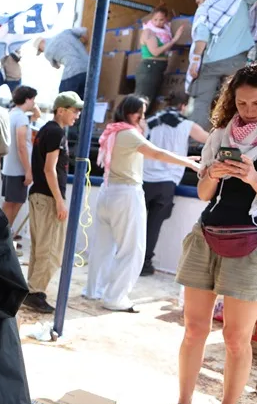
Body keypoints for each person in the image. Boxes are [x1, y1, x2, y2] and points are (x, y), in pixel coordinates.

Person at [151, 62, 257, 404]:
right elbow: (205, 195)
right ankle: (183, 403)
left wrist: (253, 176)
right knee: (193, 329)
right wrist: (214, 174)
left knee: (238, 338)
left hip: (252, 243)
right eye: (241, 102)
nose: (249, 109)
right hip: (206, 235)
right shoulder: (220, 133)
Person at [84, 95, 201, 312]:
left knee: (103, 246)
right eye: (142, 113)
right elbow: (155, 153)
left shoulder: (112, 131)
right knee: (133, 249)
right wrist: (186, 162)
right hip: (126, 194)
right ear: (132, 113)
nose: (143, 118)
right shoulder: (128, 133)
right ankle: (115, 297)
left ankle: (94, 290)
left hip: (108, 192)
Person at [22, 92, 82, 314]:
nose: (77, 115)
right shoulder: (56, 132)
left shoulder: (47, 129)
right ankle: (36, 292)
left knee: (40, 247)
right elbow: (50, 169)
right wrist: (59, 201)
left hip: (38, 195)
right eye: (74, 110)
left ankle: (32, 291)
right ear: (61, 110)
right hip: (47, 197)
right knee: (51, 250)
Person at [188, 0, 257, 127]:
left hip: (210, 64)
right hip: (236, 62)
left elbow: (201, 35)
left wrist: (195, 61)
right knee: (237, 100)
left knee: (202, 100)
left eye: (199, 1)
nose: (199, 5)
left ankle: (197, 140)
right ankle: (233, 136)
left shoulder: (207, 8)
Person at [141, 93, 210, 276]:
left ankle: (131, 259)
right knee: (153, 225)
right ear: (183, 106)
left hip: (143, 178)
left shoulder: (149, 121)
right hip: (166, 182)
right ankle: (145, 263)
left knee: (136, 223)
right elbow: (210, 140)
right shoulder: (187, 125)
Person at [1, 85, 39, 228]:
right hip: (18, 169)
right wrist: (28, 170)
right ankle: (4, 234)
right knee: (13, 203)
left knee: (10, 202)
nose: (34, 103)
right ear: (27, 99)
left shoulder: (11, 114)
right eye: (33, 99)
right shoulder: (21, 118)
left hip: (9, 167)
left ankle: (3, 234)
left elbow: (37, 115)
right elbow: (21, 146)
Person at [135, 4, 185, 105]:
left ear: (166, 19)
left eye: (161, 20)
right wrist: (174, 40)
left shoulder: (164, 31)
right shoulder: (149, 32)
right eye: (155, 19)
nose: (158, 23)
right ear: (151, 19)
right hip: (150, 68)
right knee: (142, 102)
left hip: (157, 69)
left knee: (149, 101)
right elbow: (155, 52)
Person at [36, 28, 90, 99]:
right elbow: (84, 31)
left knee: (62, 101)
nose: (42, 51)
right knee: (83, 100)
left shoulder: (47, 51)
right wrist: (85, 43)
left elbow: (57, 66)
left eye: (40, 50)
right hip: (88, 69)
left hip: (72, 74)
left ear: (42, 42)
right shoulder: (66, 32)